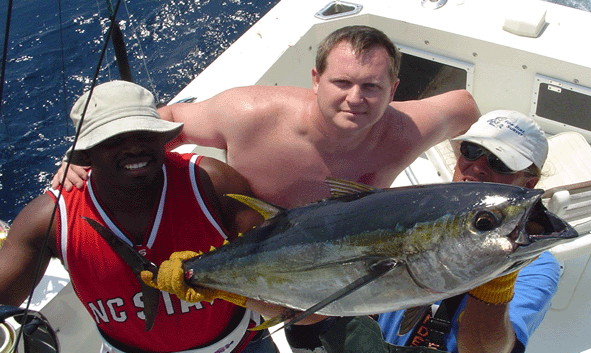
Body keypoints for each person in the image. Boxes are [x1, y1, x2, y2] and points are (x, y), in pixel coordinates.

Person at [0, 81, 296, 353]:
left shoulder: (211, 181)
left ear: (163, 137)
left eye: (145, 133)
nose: (134, 147)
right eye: (112, 140)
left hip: (240, 351)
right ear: (85, 154)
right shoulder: (49, 217)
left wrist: (220, 283)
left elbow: (275, 267)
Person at [284, 110, 561, 353]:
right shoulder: (406, 209)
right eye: (471, 151)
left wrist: (498, 274)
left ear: (528, 184)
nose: (476, 166)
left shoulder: (537, 266)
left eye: (500, 163)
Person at [52, 25, 480, 209]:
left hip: (344, 258)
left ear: (394, 91)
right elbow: (167, 116)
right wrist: (88, 155)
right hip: (248, 250)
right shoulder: (249, 115)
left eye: (372, 87)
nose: (356, 99)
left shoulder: (406, 128)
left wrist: (477, 164)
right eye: (341, 83)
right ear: (316, 79)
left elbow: (466, 106)